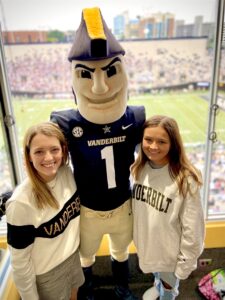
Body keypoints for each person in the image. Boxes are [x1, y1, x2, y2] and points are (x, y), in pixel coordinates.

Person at [51, 7, 145, 300]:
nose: (100, 86)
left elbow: (157, 156)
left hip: (121, 205)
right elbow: (47, 162)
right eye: (87, 75)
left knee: (120, 251)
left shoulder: (136, 117)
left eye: (110, 71)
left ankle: (122, 287)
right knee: (86, 256)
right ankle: (87, 290)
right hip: (88, 209)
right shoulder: (66, 122)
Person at [6, 122, 84, 300]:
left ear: (63, 150)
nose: (48, 158)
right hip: (48, 274)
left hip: (72, 257)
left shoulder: (68, 174)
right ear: (29, 156)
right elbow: (20, 262)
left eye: (54, 149)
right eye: (39, 151)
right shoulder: (20, 203)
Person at [130, 115, 205, 300]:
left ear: (173, 143)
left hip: (170, 257)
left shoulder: (186, 178)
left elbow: (194, 229)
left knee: (168, 292)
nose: (153, 146)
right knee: (159, 280)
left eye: (162, 141)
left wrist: (184, 266)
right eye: (148, 140)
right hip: (149, 248)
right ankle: (158, 286)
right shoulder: (140, 168)